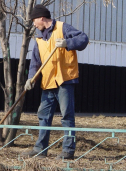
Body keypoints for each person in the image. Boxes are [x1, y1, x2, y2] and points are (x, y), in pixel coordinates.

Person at [21, 4, 89, 160]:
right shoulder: (39, 38)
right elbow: (35, 63)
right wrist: (31, 79)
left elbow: (83, 39)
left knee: (67, 116)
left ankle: (68, 151)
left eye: (34, 20)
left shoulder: (63, 28)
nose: (33, 24)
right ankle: (40, 149)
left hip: (64, 81)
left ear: (41, 18)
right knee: (43, 116)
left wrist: (67, 43)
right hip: (48, 82)